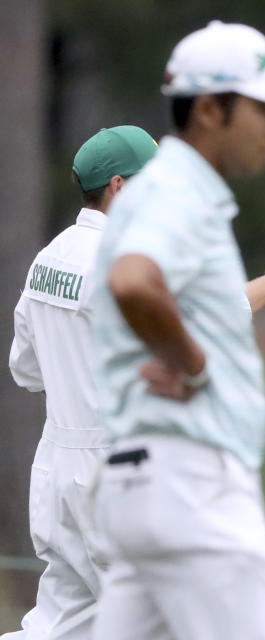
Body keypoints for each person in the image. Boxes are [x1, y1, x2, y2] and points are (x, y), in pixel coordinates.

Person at [89, 21, 265, 640]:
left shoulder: (174, 190)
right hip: (195, 487)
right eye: (263, 108)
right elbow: (135, 281)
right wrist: (194, 365)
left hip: (143, 484)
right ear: (212, 109)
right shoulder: (177, 189)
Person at [5, 125, 157, 639]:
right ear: (118, 186)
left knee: (62, 625)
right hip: (113, 470)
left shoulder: (48, 258)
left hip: (56, 463)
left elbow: (26, 370)